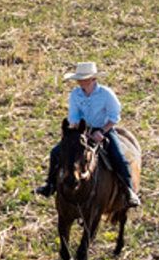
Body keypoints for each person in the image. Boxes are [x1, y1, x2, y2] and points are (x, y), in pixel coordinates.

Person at [35, 61, 140, 205]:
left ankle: (128, 190)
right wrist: (78, 130)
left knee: (118, 156)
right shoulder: (75, 94)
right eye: (79, 79)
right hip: (81, 131)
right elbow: (73, 116)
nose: (80, 82)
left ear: (93, 79)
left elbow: (114, 116)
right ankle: (50, 184)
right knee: (56, 152)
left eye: (84, 78)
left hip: (104, 130)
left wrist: (101, 131)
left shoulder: (106, 94)